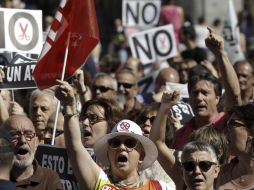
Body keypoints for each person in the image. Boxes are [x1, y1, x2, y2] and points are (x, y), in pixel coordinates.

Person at [55, 80, 172, 190]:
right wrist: (69, 105)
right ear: (108, 153)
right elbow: (75, 147)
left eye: (130, 143)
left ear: (141, 156)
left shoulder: (161, 188)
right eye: (115, 143)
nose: (121, 147)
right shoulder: (100, 183)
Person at [171, 27, 242, 149]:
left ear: (217, 98)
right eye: (195, 93)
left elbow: (235, 95)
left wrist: (220, 53)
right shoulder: (181, 134)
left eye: (205, 93)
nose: (199, 98)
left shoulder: (228, 123)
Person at [3, 115, 63, 189]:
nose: (22, 140)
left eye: (28, 135)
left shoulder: (49, 179)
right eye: (14, 135)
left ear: (36, 143)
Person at [216, 103, 254, 189]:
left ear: (252, 131)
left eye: (232, 124)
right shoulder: (219, 173)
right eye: (226, 124)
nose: (225, 130)